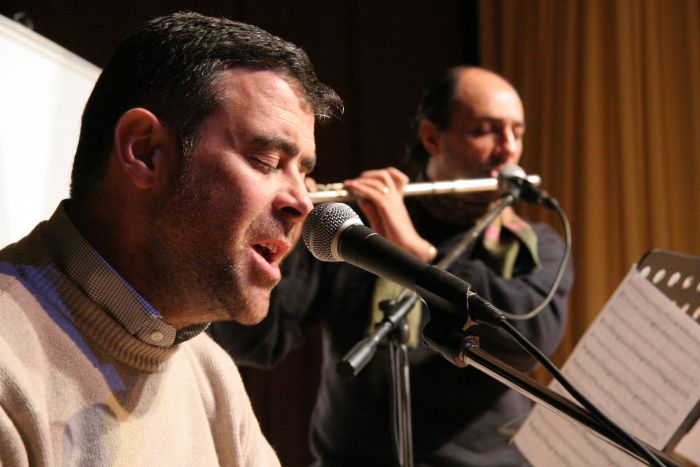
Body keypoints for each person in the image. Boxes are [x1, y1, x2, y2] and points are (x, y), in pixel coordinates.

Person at [0, 11, 342, 466]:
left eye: (303, 171)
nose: (302, 203)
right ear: (145, 151)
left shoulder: (210, 372)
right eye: (266, 161)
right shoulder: (9, 366)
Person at [210, 66, 573, 466]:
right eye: (485, 130)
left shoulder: (534, 245)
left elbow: (531, 342)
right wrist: (285, 241)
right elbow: (254, 344)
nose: (508, 149)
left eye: (516, 132)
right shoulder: (347, 229)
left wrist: (419, 255)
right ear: (432, 137)